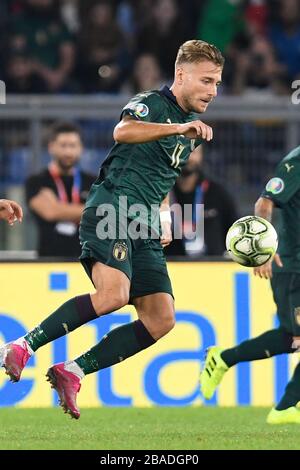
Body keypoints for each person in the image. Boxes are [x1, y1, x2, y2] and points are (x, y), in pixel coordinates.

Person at [0, 40, 224, 419]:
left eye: (217, 83)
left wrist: (165, 217)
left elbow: (160, 177)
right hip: (113, 208)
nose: (212, 91)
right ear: (181, 75)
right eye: (206, 81)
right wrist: (178, 127)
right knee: (113, 295)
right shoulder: (153, 104)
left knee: (161, 318)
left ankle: (73, 371)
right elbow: (123, 130)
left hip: (145, 223)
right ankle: (22, 345)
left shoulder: (185, 130)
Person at [200, 144, 300, 425]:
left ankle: (224, 359)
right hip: (292, 267)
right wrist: (263, 250)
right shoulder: (295, 164)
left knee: (288, 337)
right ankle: (285, 408)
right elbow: (264, 203)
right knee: (294, 336)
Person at [25, 122, 95, 257]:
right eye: (63, 145)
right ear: (51, 147)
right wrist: (90, 208)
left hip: (85, 262)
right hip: (47, 263)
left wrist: (58, 207)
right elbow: (50, 212)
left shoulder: (93, 182)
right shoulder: (36, 181)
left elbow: (104, 213)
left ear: (81, 148)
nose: (68, 152)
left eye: (73, 145)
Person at [165, 146, 238, 257]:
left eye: (194, 152)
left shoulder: (218, 193)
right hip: (170, 266)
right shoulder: (161, 194)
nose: (189, 157)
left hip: (213, 268)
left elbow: (235, 233)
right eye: (183, 152)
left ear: (202, 155)